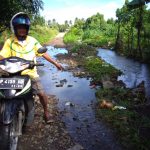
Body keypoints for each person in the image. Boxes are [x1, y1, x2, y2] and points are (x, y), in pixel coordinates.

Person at [0, 12, 63, 124]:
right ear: (15, 28)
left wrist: (55, 63)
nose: (22, 30)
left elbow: (43, 53)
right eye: (19, 28)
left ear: (27, 29)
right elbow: (2, 55)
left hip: (30, 73)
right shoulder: (9, 41)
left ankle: (46, 112)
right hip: (12, 73)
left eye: (24, 28)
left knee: (42, 94)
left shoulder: (32, 41)